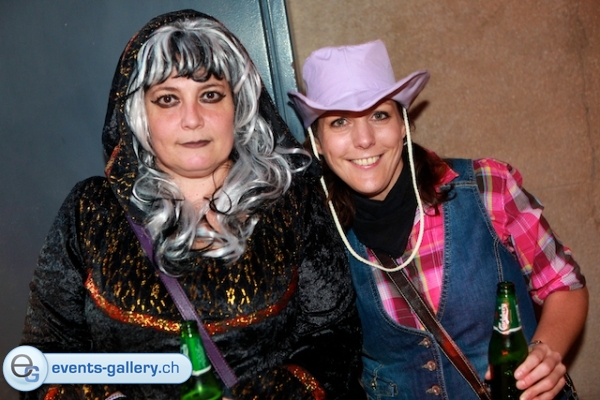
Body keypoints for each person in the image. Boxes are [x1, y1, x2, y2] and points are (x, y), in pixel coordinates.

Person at [20, 10, 363, 400]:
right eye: (168, 99)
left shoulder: (291, 202)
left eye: (210, 95)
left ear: (239, 105)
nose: (193, 119)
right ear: (140, 115)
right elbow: (43, 358)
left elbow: (335, 338)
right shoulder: (91, 211)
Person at [288, 39, 588, 400]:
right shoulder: (316, 233)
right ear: (318, 142)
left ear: (403, 124)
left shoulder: (486, 187)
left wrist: (545, 352)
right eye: (339, 122)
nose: (364, 139)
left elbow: (563, 283)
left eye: (379, 115)